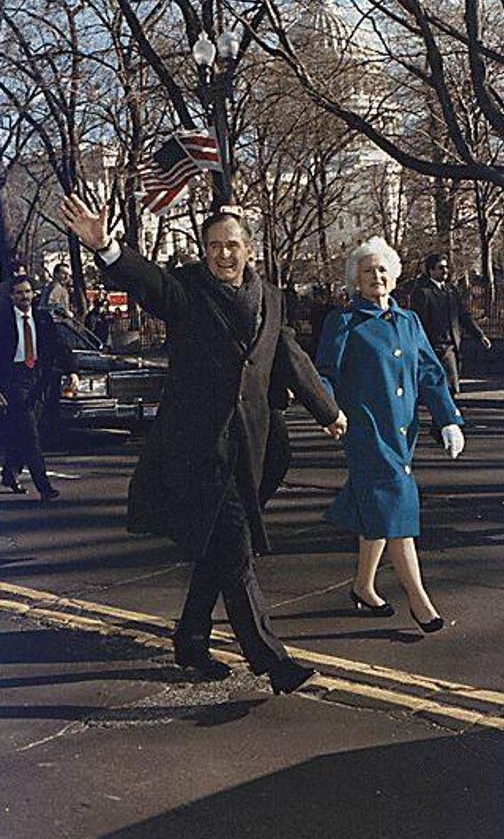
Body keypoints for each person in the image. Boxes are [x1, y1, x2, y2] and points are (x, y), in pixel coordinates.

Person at [60, 192, 347, 695]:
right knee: (235, 549)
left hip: (252, 448)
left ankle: (191, 639)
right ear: (204, 250)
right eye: (213, 246)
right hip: (198, 450)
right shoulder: (188, 290)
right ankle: (272, 662)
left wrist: (328, 411)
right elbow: (151, 284)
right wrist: (106, 246)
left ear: (249, 249)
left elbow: (289, 356)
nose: (223, 254)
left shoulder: (271, 297)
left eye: (231, 245)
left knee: (219, 550)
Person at [315, 237, 465, 632]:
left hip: (402, 432)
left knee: (380, 507)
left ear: (394, 276)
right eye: (367, 271)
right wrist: (328, 411)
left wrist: (448, 419)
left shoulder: (409, 321)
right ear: (355, 279)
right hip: (366, 431)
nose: (376, 276)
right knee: (397, 503)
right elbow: (325, 374)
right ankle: (419, 601)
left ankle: (363, 586)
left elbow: (430, 373)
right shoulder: (344, 322)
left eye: (382, 269)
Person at [0, 275, 78, 501]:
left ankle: (10, 473)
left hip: (38, 380)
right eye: (19, 293)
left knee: (22, 430)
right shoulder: (3, 321)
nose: (24, 297)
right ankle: (44, 487)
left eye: (27, 292)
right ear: (11, 296)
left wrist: (72, 371)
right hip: (14, 380)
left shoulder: (43, 319)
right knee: (30, 434)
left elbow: (60, 347)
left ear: (33, 294)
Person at [408, 253, 491, 396]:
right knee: (439, 390)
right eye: (440, 268)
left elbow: (464, 316)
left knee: (450, 389)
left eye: (446, 267)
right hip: (434, 348)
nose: (445, 271)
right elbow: (417, 322)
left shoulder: (451, 291)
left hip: (452, 347)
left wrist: (480, 335)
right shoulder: (422, 293)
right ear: (431, 270)